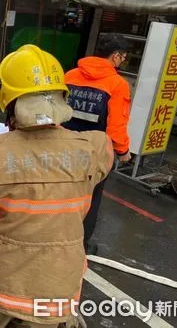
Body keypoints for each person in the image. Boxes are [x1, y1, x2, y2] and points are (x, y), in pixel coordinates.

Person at [0, 45, 114, 328]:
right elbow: (103, 167)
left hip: (0, 285)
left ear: (6, 99)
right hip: (58, 290)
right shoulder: (95, 147)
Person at [62, 34, 132, 253]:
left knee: (60, 191)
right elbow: (116, 126)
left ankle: (56, 234)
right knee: (89, 198)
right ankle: (79, 245)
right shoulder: (117, 84)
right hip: (95, 153)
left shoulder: (70, 75)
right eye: (124, 57)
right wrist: (123, 151)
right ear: (116, 56)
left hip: (63, 146)